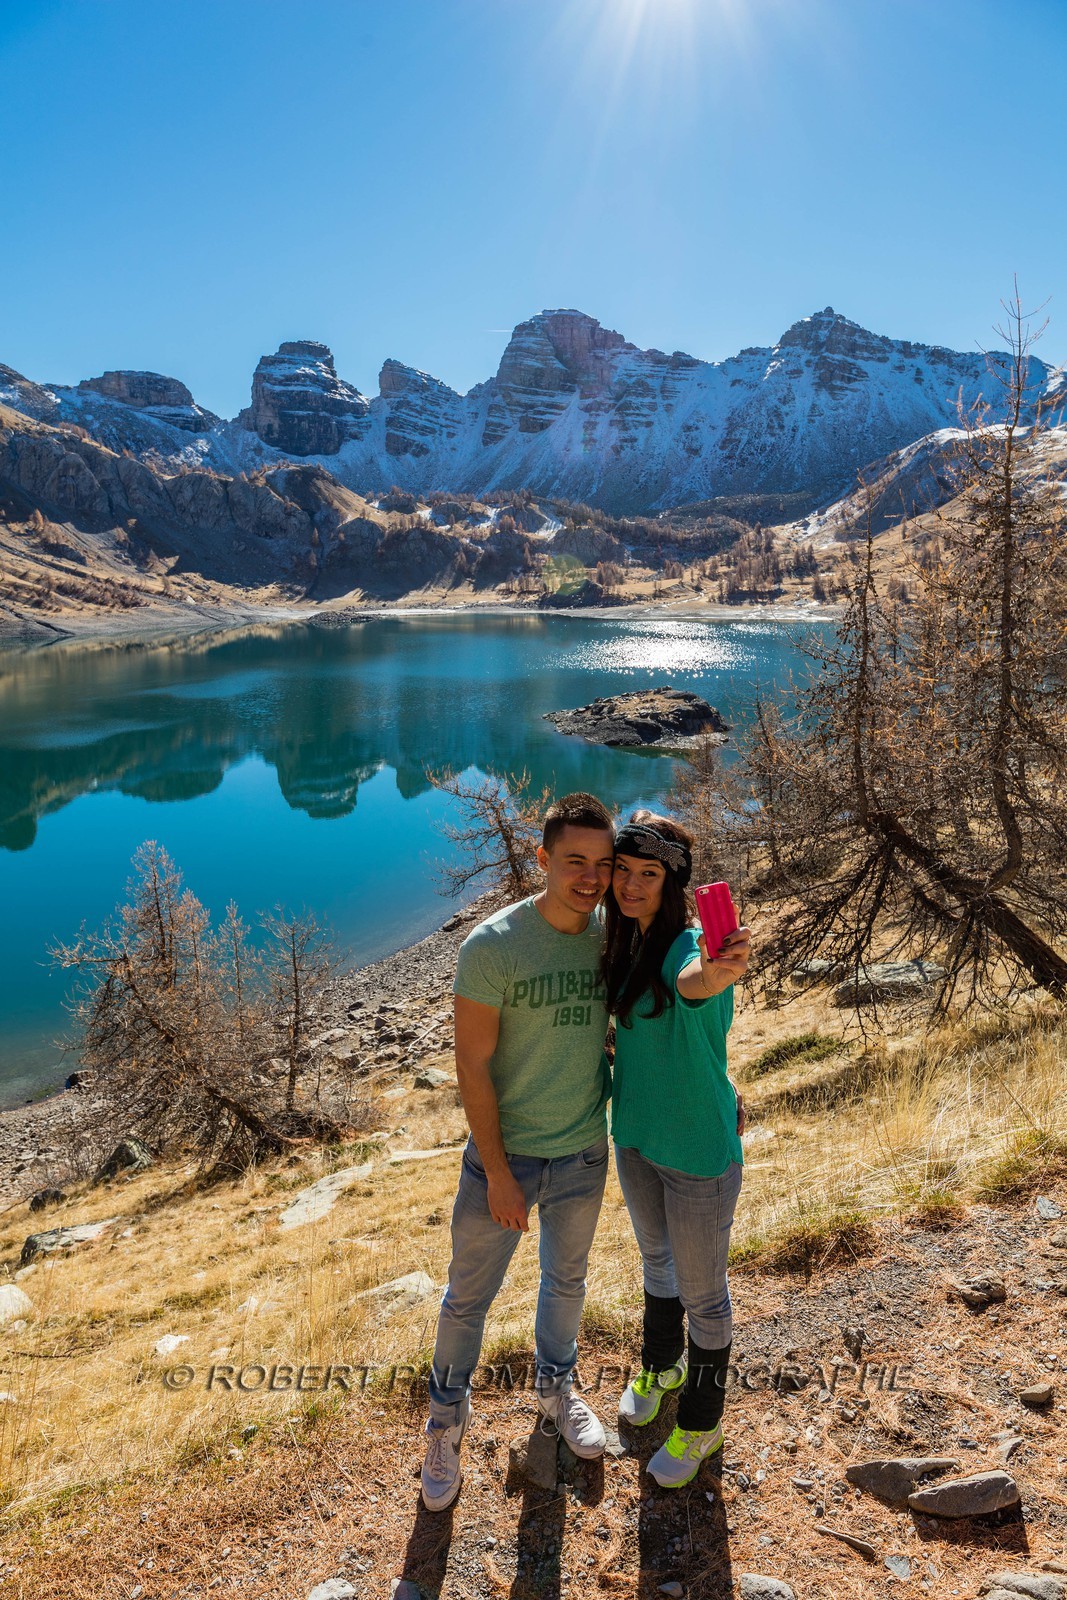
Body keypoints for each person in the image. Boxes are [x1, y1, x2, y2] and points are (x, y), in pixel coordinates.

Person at [421, 791, 617, 1512]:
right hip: (506, 1160)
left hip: (583, 1150)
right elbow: (471, 1067)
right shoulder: (492, 945)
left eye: (602, 864)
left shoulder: (610, 937)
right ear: (543, 860)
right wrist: (499, 1172)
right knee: (466, 1300)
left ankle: (554, 1390)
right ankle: (445, 1423)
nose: (590, 878)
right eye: (574, 861)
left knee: (566, 1283)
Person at [602, 810, 751, 1489]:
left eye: (649, 875)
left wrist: (719, 971)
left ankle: (701, 1420)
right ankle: (661, 1367)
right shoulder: (624, 941)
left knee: (705, 1296)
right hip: (634, 1137)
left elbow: (696, 980)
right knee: (656, 1262)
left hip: (695, 1152)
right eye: (623, 870)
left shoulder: (686, 947)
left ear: (673, 885)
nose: (631, 885)